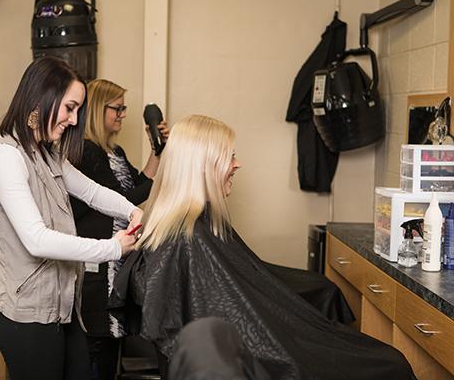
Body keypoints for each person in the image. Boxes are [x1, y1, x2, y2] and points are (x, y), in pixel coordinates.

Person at [111, 115, 416, 379]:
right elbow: (241, 322)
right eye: (229, 156)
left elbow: (241, 294)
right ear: (203, 167)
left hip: (255, 342)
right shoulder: (188, 237)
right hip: (261, 352)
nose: (237, 163)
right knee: (392, 364)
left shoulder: (189, 228)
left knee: (332, 304)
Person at [0, 57, 143, 380]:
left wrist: (132, 210)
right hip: (27, 318)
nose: (74, 119)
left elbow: (93, 192)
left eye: (78, 110)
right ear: (42, 98)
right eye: (70, 107)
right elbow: (36, 240)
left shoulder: (45, 152)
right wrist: (112, 247)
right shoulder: (5, 157)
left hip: (63, 310)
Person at [69, 79, 169, 379]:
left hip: (119, 254)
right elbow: (121, 200)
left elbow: (137, 185)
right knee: (99, 334)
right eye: (118, 108)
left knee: (114, 333)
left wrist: (158, 151)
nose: (123, 114)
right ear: (99, 109)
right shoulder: (87, 153)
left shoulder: (115, 152)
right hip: (98, 258)